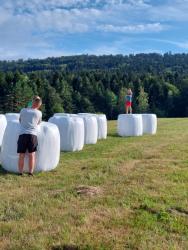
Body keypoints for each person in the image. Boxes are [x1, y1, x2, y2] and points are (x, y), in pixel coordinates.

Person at [17, 96, 42, 176]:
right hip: (32, 135)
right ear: (39, 105)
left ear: (32, 102)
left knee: (21, 154)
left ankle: (20, 172)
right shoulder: (39, 113)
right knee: (32, 154)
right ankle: (30, 172)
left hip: (22, 134)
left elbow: (20, 120)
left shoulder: (23, 110)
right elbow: (38, 123)